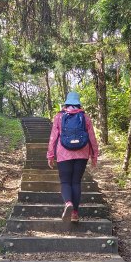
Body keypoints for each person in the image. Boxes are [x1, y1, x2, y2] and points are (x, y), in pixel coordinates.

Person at [47, 92, 99, 222]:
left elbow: (53, 138)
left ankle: (68, 202)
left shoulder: (59, 117)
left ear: (66, 103)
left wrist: (50, 155)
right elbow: (92, 138)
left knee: (65, 182)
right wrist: (94, 155)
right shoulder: (85, 117)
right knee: (76, 182)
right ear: (78, 103)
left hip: (63, 153)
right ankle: (75, 213)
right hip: (82, 153)